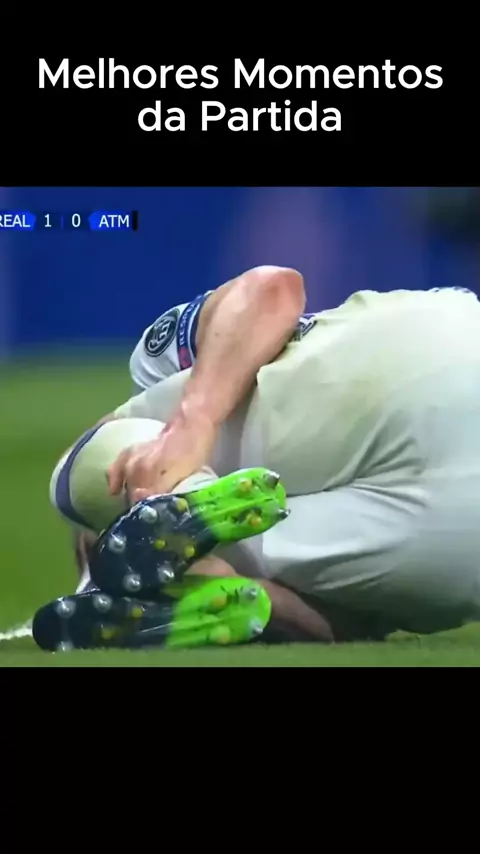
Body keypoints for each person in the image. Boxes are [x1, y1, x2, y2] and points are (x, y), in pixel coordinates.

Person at [34, 267, 480, 649]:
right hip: (458, 557)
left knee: (79, 473)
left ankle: (190, 497)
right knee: (336, 602)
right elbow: (346, 625)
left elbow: (272, 288)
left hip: (411, 372)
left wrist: (193, 423)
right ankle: (207, 582)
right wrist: (238, 592)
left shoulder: (152, 365)